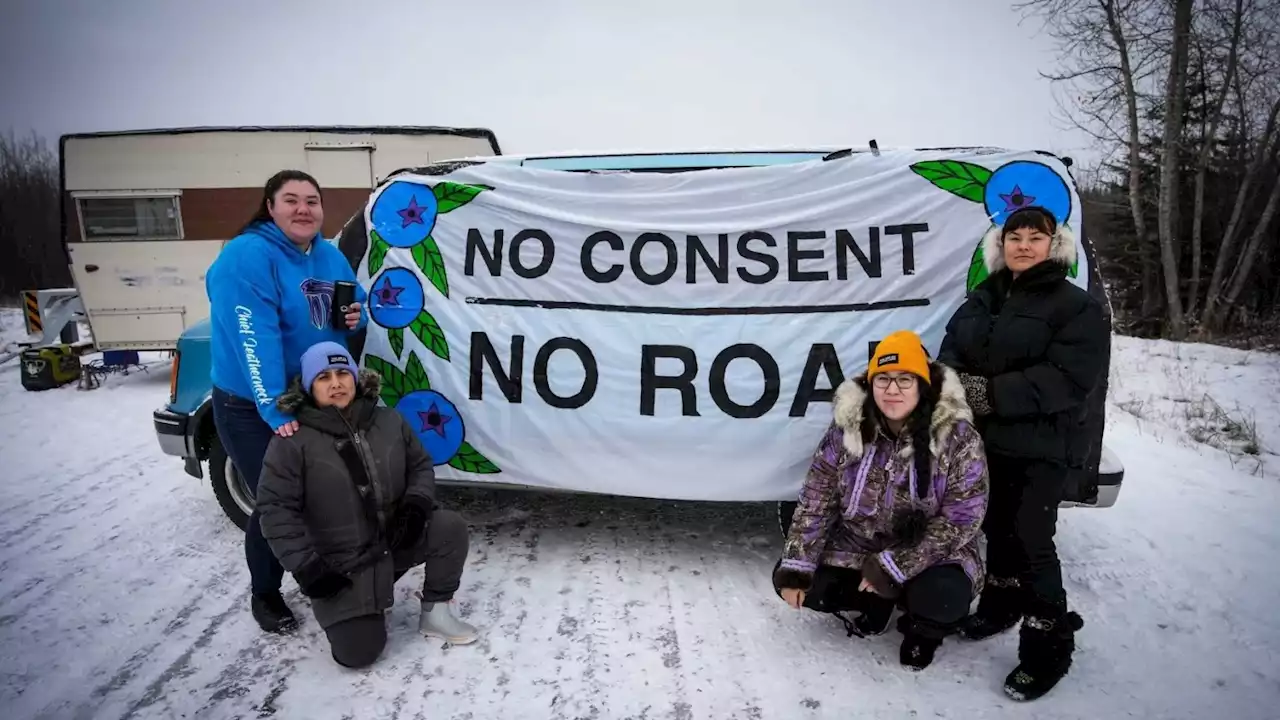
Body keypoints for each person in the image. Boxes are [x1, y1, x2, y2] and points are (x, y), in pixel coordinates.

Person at [939, 205, 1108, 701]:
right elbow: (951, 351)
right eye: (1015, 236)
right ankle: (999, 606)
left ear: (1055, 245)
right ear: (1002, 244)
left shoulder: (1075, 306)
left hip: (1041, 446)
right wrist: (956, 384)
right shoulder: (981, 297)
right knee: (995, 529)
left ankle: (1048, 646)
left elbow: (1068, 379)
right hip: (982, 444)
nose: (1025, 245)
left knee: (1032, 539)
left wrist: (987, 393)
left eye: (1037, 237)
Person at [205, 170, 369, 633]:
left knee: (324, 492)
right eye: (291, 200)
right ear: (270, 206)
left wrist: (356, 318)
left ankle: (332, 566)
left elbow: (349, 311)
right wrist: (276, 408)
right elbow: (253, 338)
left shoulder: (327, 255)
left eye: (312, 201)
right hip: (250, 404)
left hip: (311, 396)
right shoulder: (247, 256)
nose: (303, 209)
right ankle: (265, 592)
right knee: (279, 501)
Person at [774, 330, 989, 671]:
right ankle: (876, 603)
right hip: (858, 543)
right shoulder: (848, 428)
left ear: (923, 384)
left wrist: (894, 566)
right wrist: (797, 566)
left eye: (905, 379)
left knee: (942, 599)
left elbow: (962, 519)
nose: (892, 390)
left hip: (930, 554)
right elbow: (817, 497)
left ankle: (923, 632)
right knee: (806, 581)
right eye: (883, 379)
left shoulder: (959, 438)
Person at [257, 342, 479, 668]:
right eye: (324, 377)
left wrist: (416, 506)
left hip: (392, 543)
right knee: (358, 654)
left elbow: (419, 465)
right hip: (341, 567)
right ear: (308, 387)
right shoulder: (291, 441)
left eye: (343, 373)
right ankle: (359, 603)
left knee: (449, 527)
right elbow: (275, 509)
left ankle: (437, 612)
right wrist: (307, 567)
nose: (336, 383)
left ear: (356, 379)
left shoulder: (389, 420)